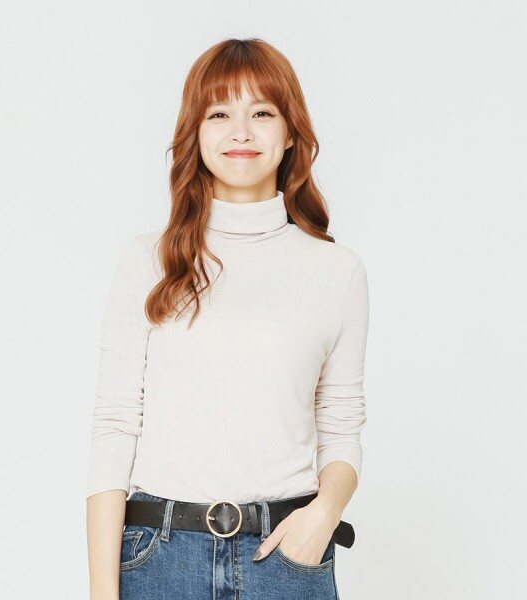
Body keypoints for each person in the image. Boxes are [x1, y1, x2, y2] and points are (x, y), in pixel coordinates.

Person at [85, 37, 370, 600]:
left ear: (291, 134)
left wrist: (323, 515)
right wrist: (101, 593)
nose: (241, 131)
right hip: (159, 559)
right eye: (219, 114)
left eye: (261, 113)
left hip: (285, 557)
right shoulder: (148, 260)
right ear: (195, 132)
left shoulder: (336, 272)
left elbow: (341, 428)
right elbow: (114, 428)